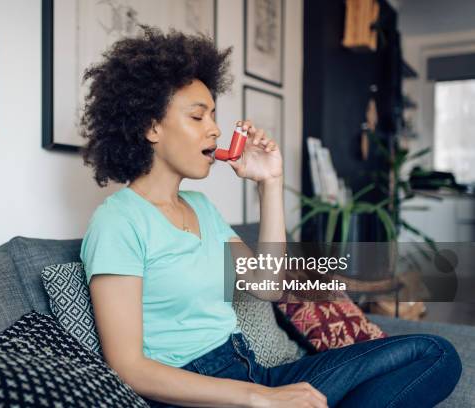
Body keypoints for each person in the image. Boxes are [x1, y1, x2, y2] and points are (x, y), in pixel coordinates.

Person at [78, 26, 462, 408]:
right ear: (151, 127)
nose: (214, 129)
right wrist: (259, 397)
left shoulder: (202, 208)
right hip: (198, 393)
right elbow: (128, 367)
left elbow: (268, 286)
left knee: (434, 354)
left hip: (250, 370)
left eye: (214, 114)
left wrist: (270, 183)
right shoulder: (118, 223)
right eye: (198, 117)